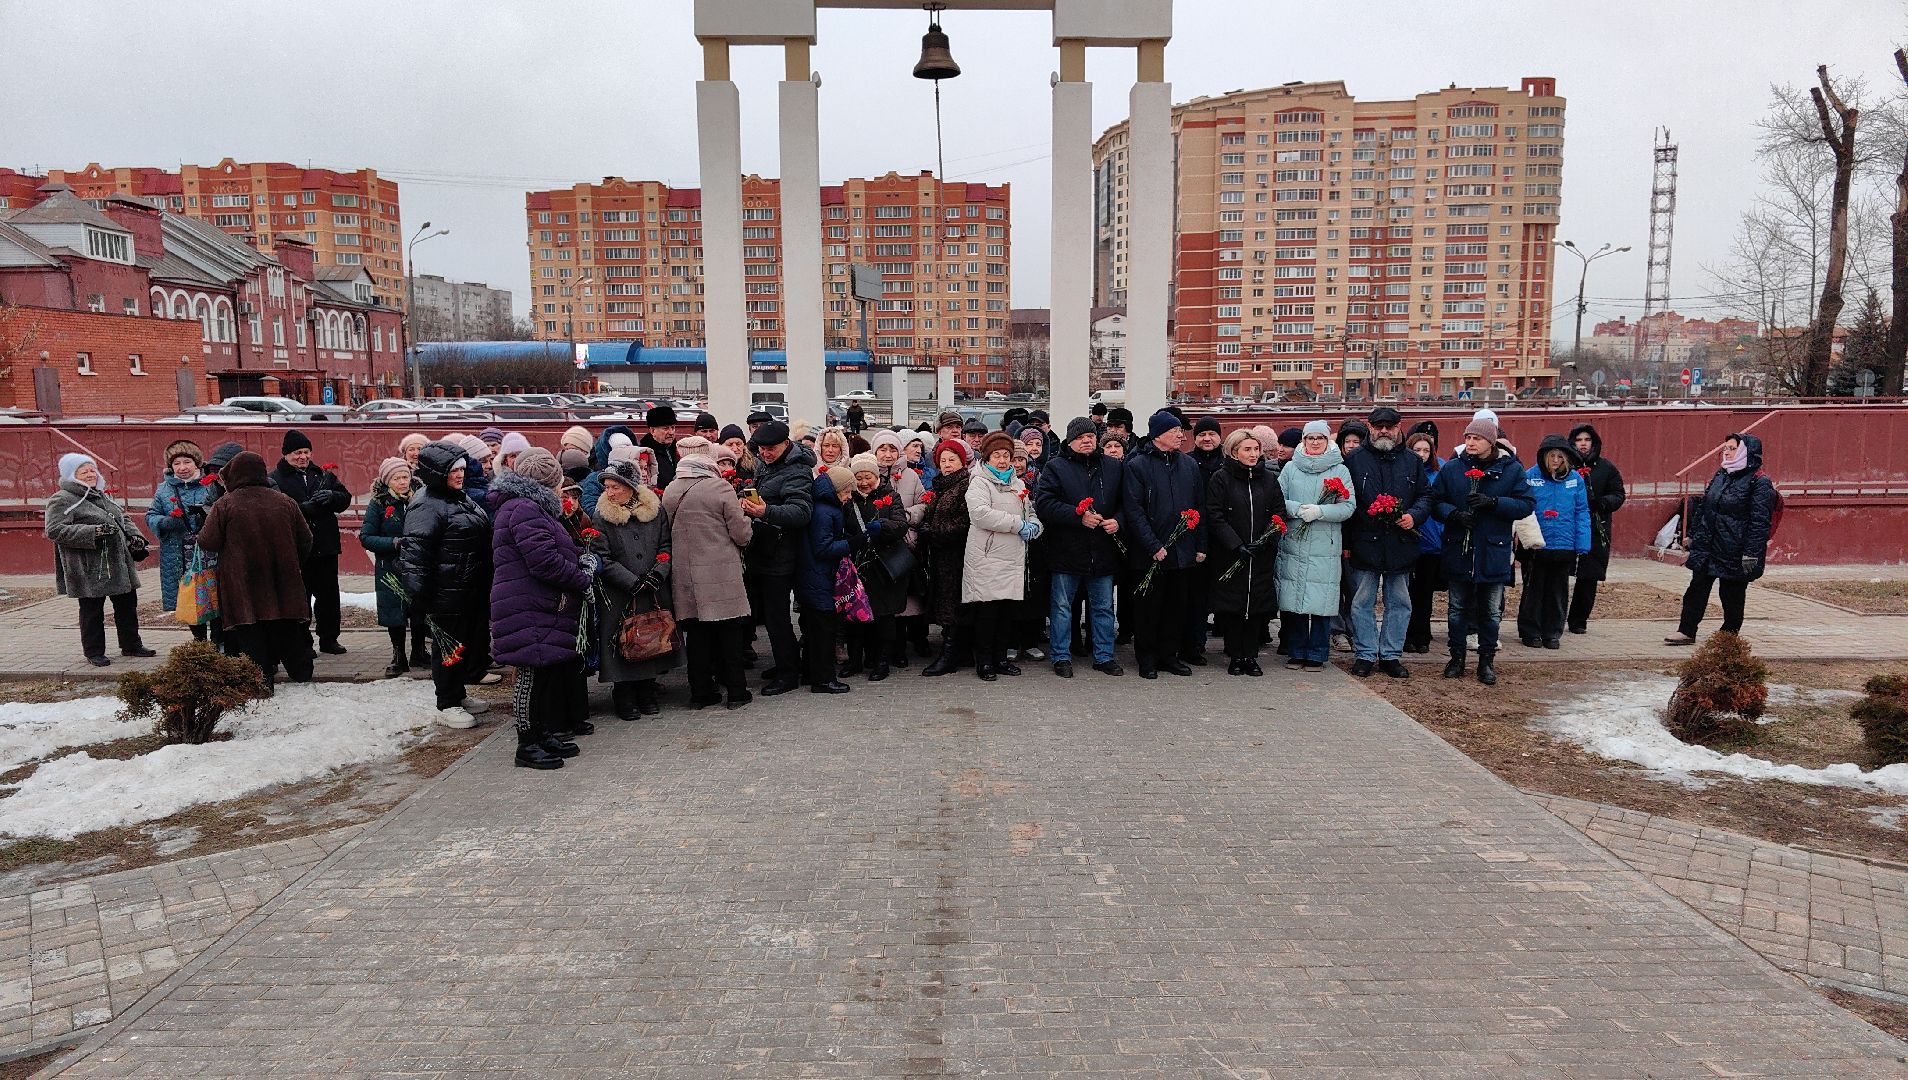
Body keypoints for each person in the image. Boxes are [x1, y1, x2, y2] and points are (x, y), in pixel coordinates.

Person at [489, 449, 595, 770]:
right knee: (530, 678)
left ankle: (542, 732)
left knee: (544, 674)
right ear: (550, 482)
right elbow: (544, 561)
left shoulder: (532, 508)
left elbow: (553, 547)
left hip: (537, 604)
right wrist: (581, 578)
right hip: (528, 605)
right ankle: (527, 745)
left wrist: (580, 554)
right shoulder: (525, 509)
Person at [194, 452, 311, 689]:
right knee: (287, 626)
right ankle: (301, 671)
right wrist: (291, 561)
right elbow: (306, 539)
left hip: (243, 582)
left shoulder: (225, 504)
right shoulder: (285, 501)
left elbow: (207, 541)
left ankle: (262, 679)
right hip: (283, 580)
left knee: (251, 630)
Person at [1432, 418, 1535, 685]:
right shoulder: (1454, 468)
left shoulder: (1510, 469)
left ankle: (1486, 661)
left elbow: (1526, 504)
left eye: (1476, 438)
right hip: (1459, 548)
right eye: (1468, 438)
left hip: (1493, 551)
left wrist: (1494, 503)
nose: (1470, 443)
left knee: (1490, 611)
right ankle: (1456, 658)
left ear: (1491, 441)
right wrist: (1454, 514)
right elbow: (1435, 501)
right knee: (1456, 609)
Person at [399, 440, 493, 727]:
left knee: (465, 645)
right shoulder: (426, 505)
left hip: (469, 590)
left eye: (462, 469)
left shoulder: (459, 498)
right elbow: (415, 555)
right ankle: (447, 702)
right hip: (445, 595)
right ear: (436, 472)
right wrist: (422, 598)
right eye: (453, 470)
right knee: (448, 650)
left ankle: (458, 692)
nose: (459, 475)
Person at [663, 436, 755, 710]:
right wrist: (748, 519)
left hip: (686, 577)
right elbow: (741, 534)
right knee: (730, 635)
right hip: (721, 575)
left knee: (698, 639)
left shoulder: (670, 491)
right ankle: (737, 693)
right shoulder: (720, 488)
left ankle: (701, 694)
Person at [1033, 418, 1126, 678]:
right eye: (1081, 437)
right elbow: (1045, 505)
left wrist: (1118, 521)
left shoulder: (1112, 466)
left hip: (1103, 550)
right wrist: (1077, 515)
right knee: (1062, 606)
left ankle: (1104, 656)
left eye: (1091, 436)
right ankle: (1061, 656)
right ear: (1070, 440)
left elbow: (1126, 502)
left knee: (1104, 607)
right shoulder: (1056, 467)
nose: (1087, 440)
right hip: (1066, 549)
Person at [1665, 433, 1778, 645]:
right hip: (1708, 546)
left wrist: (1751, 554)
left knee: (1731, 595)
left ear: (1746, 452)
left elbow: (1760, 523)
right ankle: (1686, 631)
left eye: (1732, 448)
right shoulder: (1722, 474)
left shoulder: (1759, 483)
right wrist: (1693, 535)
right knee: (1696, 589)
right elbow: (1705, 506)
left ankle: (1728, 636)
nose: (1726, 452)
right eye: (1725, 448)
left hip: (1734, 550)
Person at [1342, 407, 1428, 679]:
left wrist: (1413, 517)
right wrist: (1347, 540)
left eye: (1389, 426)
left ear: (1399, 427)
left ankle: (1391, 654)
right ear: (1369, 426)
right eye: (1378, 426)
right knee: (1362, 601)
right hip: (1365, 542)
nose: (1383, 431)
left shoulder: (1412, 461)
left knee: (1400, 602)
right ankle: (1366, 653)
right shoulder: (1354, 460)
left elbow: (1426, 496)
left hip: (1401, 543)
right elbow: (1346, 501)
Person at [46, 454, 154, 667]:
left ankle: (131, 644)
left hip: (118, 563)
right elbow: (55, 530)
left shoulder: (101, 496)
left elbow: (123, 518)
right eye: (83, 471)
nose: (90, 474)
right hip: (89, 566)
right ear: (71, 475)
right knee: (92, 610)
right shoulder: (62, 499)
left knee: (126, 605)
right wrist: (94, 531)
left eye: (92, 469)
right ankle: (94, 651)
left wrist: (136, 538)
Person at [1123, 409, 1207, 679]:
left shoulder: (1189, 465)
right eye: (1175, 432)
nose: (1181, 436)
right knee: (1149, 609)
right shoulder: (1137, 465)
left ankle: (1169, 655)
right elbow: (1134, 511)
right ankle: (1147, 658)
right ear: (1158, 435)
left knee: (1175, 607)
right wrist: (1152, 545)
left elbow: (1199, 507)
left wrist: (1200, 545)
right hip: (1150, 553)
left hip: (1182, 551)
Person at [738, 421, 815, 696]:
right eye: (761, 449)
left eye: (770, 449)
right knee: (771, 616)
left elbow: (800, 513)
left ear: (786, 445)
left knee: (777, 617)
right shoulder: (769, 465)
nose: (765, 454)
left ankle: (788, 673)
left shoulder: (797, 471)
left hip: (781, 555)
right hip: (766, 551)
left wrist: (764, 511)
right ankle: (787, 661)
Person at [1275, 421, 1354, 671]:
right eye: (1311, 438)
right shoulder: (1290, 468)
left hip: (1325, 543)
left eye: (1320, 437)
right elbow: (1277, 499)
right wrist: (1297, 509)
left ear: (1327, 440)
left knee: (1321, 601)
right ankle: (1296, 651)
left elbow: (1348, 506)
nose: (1315, 442)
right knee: (1295, 597)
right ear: (1304, 441)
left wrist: (1321, 511)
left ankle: (1318, 653)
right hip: (1295, 539)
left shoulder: (1340, 470)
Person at [963, 431, 1041, 681]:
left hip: (1012, 559)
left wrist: (1036, 526)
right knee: (988, 613)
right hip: (987, 558)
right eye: (996, 455)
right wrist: (1017, 524)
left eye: (1006, 455)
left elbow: (1029, 511)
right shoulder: (979, 482)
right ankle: (984, 662)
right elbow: (980, 514)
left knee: (1006, 613)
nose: (1002, 460)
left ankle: (1000, 659)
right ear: (987, 457)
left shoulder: (1017, 483)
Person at [1204, 429, 1282, 676]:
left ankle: (1251, 655)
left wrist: (1266, 539)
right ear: (1234, 452)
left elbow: (1278, 513)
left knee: (1256, 605)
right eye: (1247, 449)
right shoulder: (1221, 478)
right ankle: (1235, 655)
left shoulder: (1268, 479)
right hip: (1232, 553)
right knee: (1233, 605)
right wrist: (1235, 544)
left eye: (1255, 449)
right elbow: (1215, 515)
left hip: (1260, 554)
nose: (1253, 454)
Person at [271, 430, 351, 656]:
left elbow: (345, 498)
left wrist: (333, 497)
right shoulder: (276, 478)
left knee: (328, 597)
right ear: (286, 455)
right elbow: (276, 508)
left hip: (325, 547)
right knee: (300, 598)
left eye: (306, 452)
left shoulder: (322, 475)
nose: (303, 457)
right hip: (297, 549)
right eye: (297, 453)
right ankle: (303, 642)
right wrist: (300, 508)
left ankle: (329, 638)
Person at [1517, 435, 1592, 650]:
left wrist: (1582, 543)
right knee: (1534, 590)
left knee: (1557, 593)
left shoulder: (1575, 480)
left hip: (1564, 545)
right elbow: (1523, 509)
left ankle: (1552, 632)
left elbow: (1582, 512)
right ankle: (1530, 631)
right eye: (1552, 456)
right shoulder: (1530, 476)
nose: (1556, 461)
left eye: (1560, 456)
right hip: (1537, 545)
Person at [840, 453, 910, 681]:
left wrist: (884, 525)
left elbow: (901, 524)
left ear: (876, 475)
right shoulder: (848, 499)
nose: (863, 482)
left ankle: (882, 661)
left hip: (883, 565)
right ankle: (855, 660)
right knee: (855, 616)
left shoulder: (891, 495)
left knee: (883, 616)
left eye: (868, 476)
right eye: (858, 477)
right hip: (857, 564)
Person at [359, 457, 427, 678]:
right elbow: (366, 537)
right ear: (388, 481)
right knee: (394, 611)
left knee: (418, 610)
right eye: (397, 478)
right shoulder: (379, 503)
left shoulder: (421, 498)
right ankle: (399, 655)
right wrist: (393, 543)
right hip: (390, 566)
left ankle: (419, 652)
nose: (402, 482)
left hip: (417, 565)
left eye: (405, 477)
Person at [146, 440, 217, 641]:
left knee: (214, 594)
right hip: (178, 553)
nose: (182, 468)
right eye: (177, 463)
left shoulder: (210, 485)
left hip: (208, 549)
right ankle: (199, 640)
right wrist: (165, 522)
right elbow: (151, 515)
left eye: (187, 462)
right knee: (189, 595)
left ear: (197, 463)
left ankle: (218, 641)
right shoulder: (164, 489)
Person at [796, 466, 855, 694]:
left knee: (814, 630)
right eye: (848, 491)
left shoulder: (824, 506)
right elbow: (823, 548)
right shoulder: (824, 511)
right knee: (823, 631)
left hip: (812, 577)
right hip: (819, 578)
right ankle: (823, 680)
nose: (849, 496)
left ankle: (811, 673)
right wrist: (853, 542)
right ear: (838, 489)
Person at [921, 440, 974, 677]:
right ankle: (958, 652)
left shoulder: (965, 485)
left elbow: (964, 522)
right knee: (947, 602)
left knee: (953, 605)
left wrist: (932, 532)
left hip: (957, 555)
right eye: (943, 460)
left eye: (952, 460)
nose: (947, 465)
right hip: (942, 556)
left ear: (962, 462)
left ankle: (950, 655)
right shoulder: (942, 485)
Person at [1567, 424, 1626, 634]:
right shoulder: (1564, 464)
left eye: (1587, 440)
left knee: (1588, 576)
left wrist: (1601, 503)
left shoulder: (1605, 468)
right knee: (1560, 573)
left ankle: (1578, 620)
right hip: (1567, 525)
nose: (1583, 444)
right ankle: (1554, 617)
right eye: (1578, 440)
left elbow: (1618, 494)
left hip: (1595, 526)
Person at [1402, 430, 1446, 654]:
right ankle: (1406, 634)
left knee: (1425, 593)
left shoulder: (1439, 472)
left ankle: (1422, 634)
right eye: (1417, 450)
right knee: (1406, 593)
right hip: (1408, 540)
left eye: (1426, 450)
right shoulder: (1405, 471)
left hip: (1432, 542)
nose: (1422, 454)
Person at [641, 406, 681, 487]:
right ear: (652, 431)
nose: (671, 432)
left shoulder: (677, 449)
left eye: (673, 428)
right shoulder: (644, 453)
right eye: (666, 428)